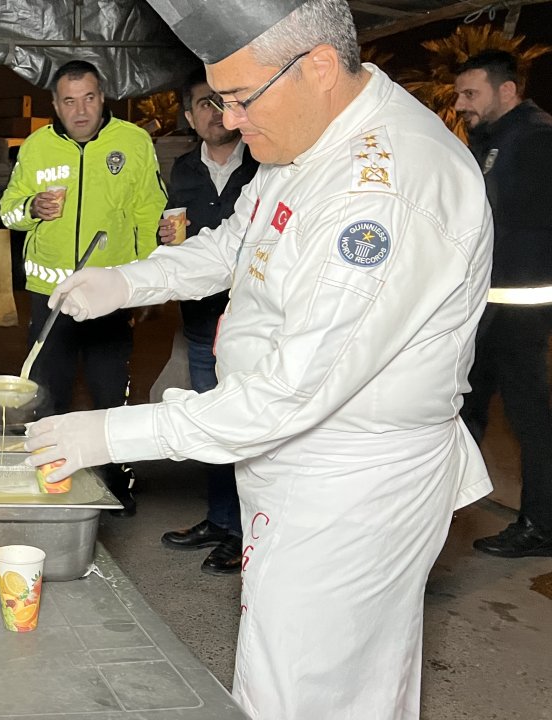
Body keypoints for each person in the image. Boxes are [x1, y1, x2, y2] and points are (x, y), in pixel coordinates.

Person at [25, 0, 494, 716]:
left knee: (308, 692)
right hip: (293, 462)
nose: (230, 120)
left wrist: (112, 433)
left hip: (350, 480)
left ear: (318, 66)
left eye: (241, 99)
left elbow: (287, 394)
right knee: (297, 675)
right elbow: (235, 243)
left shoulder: (385, 192)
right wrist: (128, 280)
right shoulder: (304, 138)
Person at [0, 59, 167, 512]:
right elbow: (8, 213)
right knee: (47, 392)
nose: (80, 110)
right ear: (54, 104)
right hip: (48, 293)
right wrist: (33, 206)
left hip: (110, 294)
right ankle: (52, 477)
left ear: (102, 97)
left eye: (89, 98)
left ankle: (115, 482)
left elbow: (149, 214)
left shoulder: (133, 143)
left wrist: (147, 285)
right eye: (69, 101)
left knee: (109, 391)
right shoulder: (35, 148)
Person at [158, 69, 260, 575]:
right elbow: (176, 234)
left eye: (221, 102)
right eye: (202, 104)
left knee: (248, 427)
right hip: (202, 324)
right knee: (213, 427)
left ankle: (246, 533)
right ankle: (221, 521)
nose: (213, 112)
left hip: (252, 325)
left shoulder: (264, 164)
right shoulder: (181, 169)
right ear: (190, 116)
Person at [453, 50, 552, 558]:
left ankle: (541, 524)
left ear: (506, 91)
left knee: (529, 415)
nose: (461, 104)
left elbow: (511, 227)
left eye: (471, 94)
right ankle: (440, 505)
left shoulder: (534, 139)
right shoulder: (493, 140)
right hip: (490, 304)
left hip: (518, 305)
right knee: (465, 403)